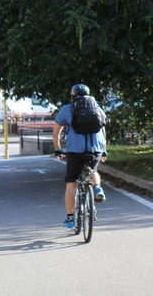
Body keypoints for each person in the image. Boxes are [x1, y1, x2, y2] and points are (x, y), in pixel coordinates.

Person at [53, 84, 108, 229]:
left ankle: (70, 219)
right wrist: (104, 150)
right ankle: (97, 188)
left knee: (71, 184)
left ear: (73, 95)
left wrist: (58, 149)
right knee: (93, 171)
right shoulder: (97, 108)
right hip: (96, 149)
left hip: (75, 151)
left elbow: (56, 132)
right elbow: (103, 131)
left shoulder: (67, 109)